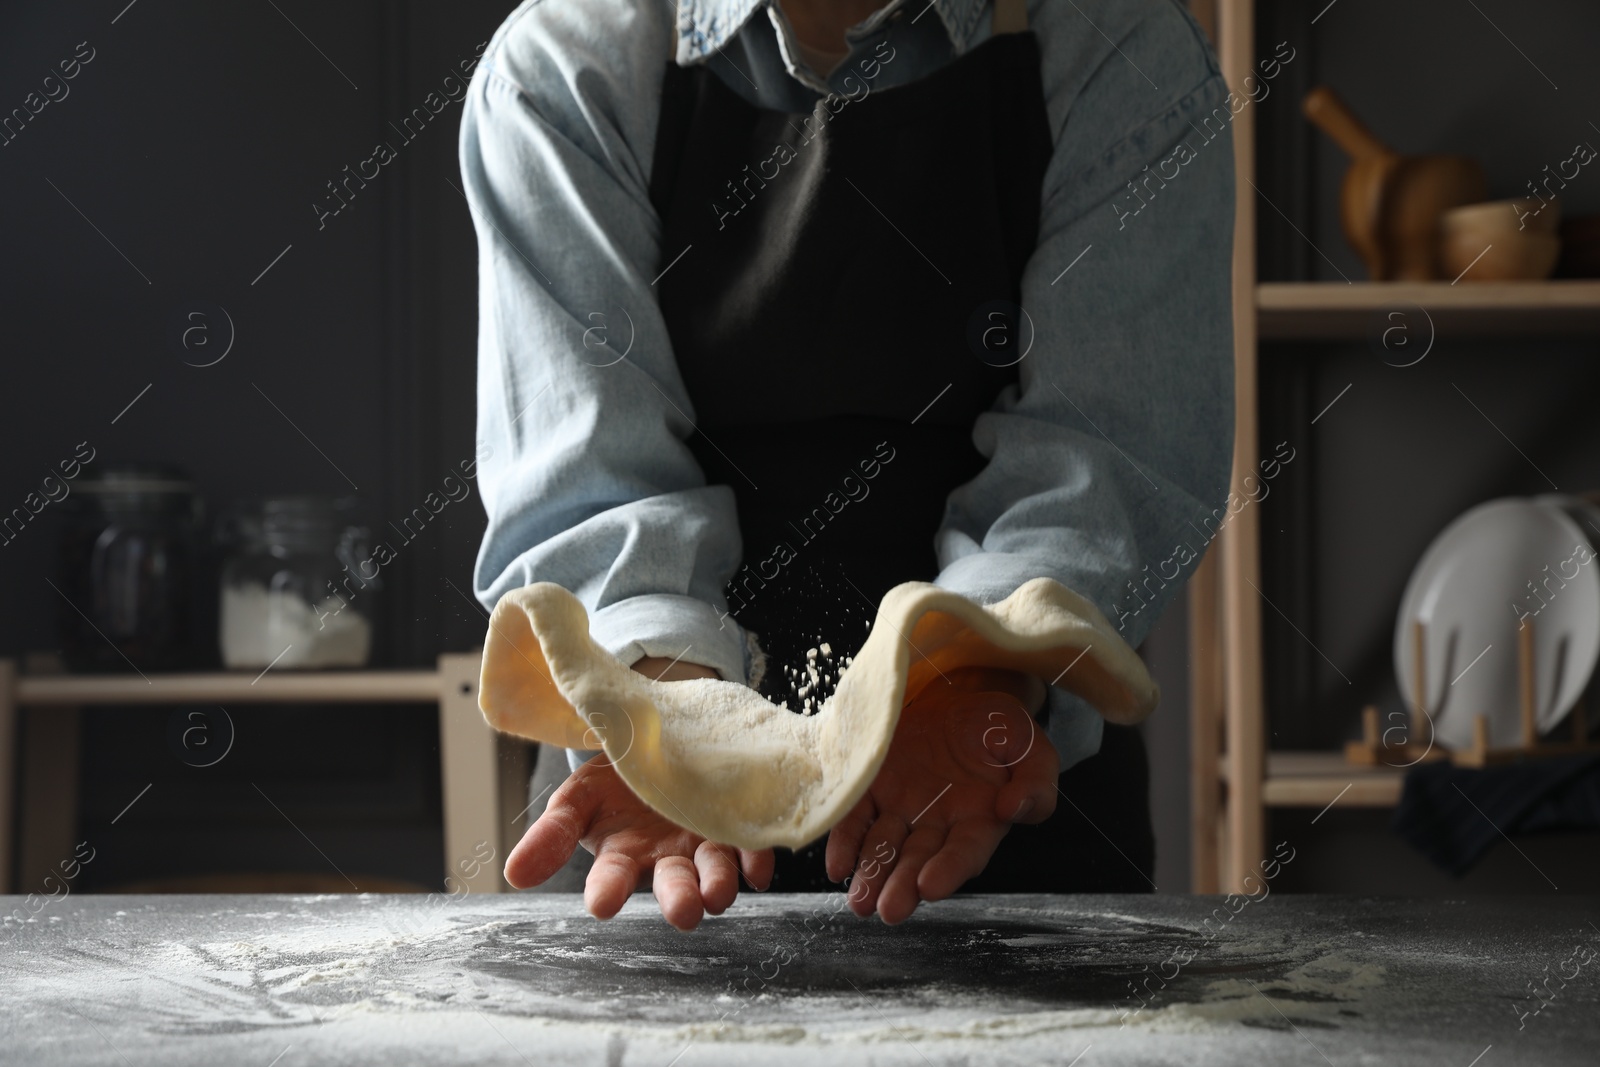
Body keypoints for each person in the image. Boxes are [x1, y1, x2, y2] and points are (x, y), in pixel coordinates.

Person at [464, 0, 1234, 930]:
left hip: (988, 771)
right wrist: (672, 717)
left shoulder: (1119, 50)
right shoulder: (564, 70)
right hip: (648, 799)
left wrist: (968, 672)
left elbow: (1099, 451)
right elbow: (590, 472)